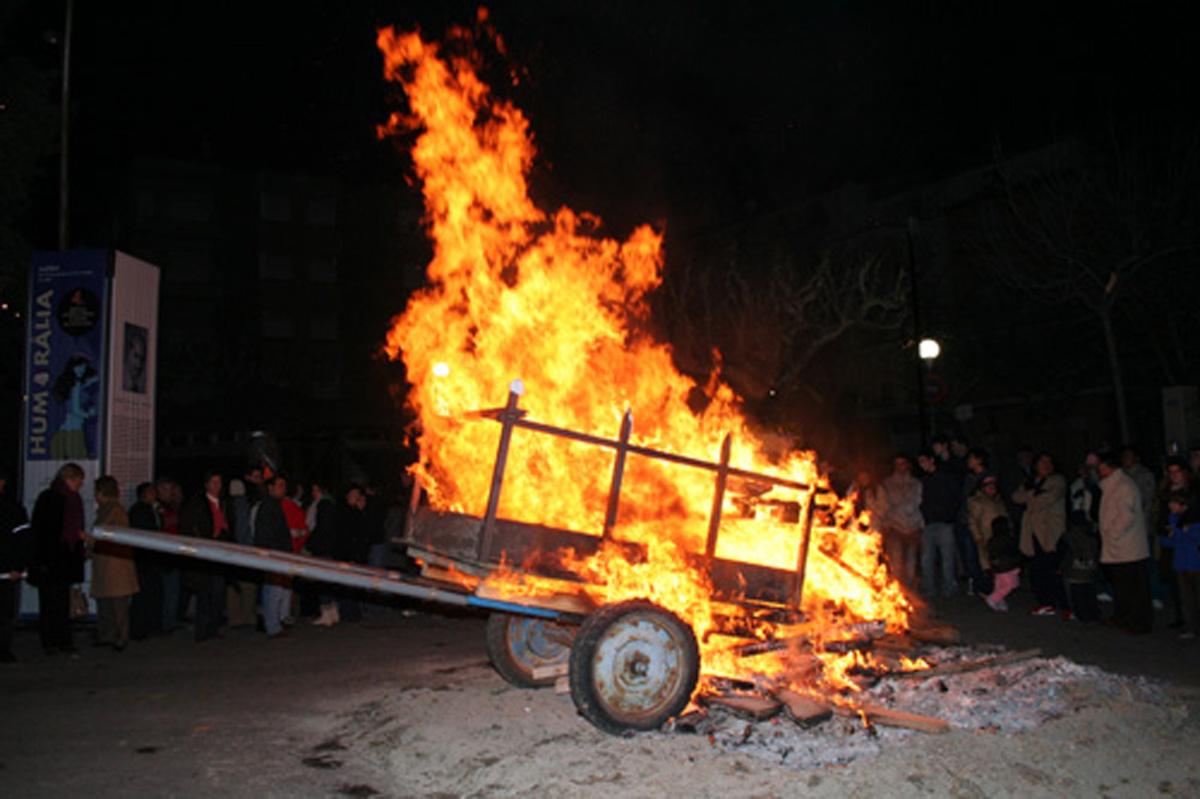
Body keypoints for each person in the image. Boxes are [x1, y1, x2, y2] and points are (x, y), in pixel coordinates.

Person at [29, 463, 88, 657]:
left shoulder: (74, 499)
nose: (80, 483)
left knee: (63, 602)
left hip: (65, 559)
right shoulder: (50, 498)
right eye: (79, 479)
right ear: (69, 478)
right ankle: (50, 641)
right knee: (49, 603)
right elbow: (43, 532)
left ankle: (63, 639)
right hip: (50, 559)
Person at [1096, 450, 1153, 635]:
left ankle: (1139, 621)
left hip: (1128, 547)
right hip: (1118, 546)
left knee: (1135, 587)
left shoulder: (1124, 486)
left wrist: (1112, 533)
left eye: (1101, 467)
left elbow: (1127, 516)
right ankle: (1122, 616)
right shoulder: (1112, 485)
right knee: (1122, 586)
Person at [1012, 452, 1067, 616]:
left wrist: (1031, 498)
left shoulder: (1057, 481)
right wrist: (1033, 494)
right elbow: (1016, 497)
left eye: (1049, 462)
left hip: (1049, 532)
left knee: (1052, 567)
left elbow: (1045, 500)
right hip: (1032, 532)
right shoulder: (1030, 482)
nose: (1047, 465)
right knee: (1036, 568)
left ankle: (1063, 603)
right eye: (1043, 462)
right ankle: (1045, 602)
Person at [179, 470, 231, 642]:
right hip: (205, 553)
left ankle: (213, 627)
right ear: (207, 484)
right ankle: (202, 630)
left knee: (217, 593)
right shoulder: (198, 503)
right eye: (213, 483)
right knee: (204, 594)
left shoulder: (224, 503)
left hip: (220, 553)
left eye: (219, 483)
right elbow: (190, 526)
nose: (217, 486)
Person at [89, 475, 139, 650]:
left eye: (97, 492)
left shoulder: (115, 510)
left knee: (118, 605)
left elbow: (110, 535)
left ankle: (120, 637)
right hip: (107, 564)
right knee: (106, 603)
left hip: (115, 566)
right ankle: (107, 635)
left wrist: (88, 540)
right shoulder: (106, 509)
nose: (95, 496)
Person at [917, 448, 961, 598]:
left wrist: (949, 515)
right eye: (919, 462)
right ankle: (930, 589)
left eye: (923, 461)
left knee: (947, 558)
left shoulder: (946, 477)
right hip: (928, 524)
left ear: (931, 460)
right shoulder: (923, 480)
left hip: (945, 523)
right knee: (927, 559)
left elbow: (955, 497)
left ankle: (949, 588)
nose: (921, 464)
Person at [254, 475, 293, 638]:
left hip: (278, 552)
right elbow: (265, 533)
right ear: (270, 487)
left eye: (284, 485)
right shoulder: (268, 506)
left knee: (274, 590)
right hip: (274, 554)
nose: (283, 489)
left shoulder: (275, 505)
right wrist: (272, 553)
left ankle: (271, 622)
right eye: (280, 485)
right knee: (273, 591)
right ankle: (272, 625)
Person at [0, 468, 31, 663]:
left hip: (5, 570)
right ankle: (3, 650)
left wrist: (18, 566)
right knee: (3, 613)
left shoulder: (10, 508)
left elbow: (23, 540)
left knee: (3, 613)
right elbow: (23, 540)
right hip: (5, 570)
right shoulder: (11, 508)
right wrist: (18, 566)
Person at [879, 454, 923, 590]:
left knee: (911, 560)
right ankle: (898, 589)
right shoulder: (887, 484)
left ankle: (910, 589)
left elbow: (918, 502)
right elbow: (885, 505)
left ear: (908, 465)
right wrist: (886, 524)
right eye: (897, 464)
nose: (900, 467)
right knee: (896, 560)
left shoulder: (916, 483)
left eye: (903, 463)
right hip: (895, 526)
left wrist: (919, 525)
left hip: (913, 526)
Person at [1161, 490, 1200, 640]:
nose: (1171, 506)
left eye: (1174, 503)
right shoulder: (1172, 519)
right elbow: (1172, 541)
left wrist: (1183, 531)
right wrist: (1167, 537)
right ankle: (1190, 626)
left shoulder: (1195, 520)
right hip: (1180, 563)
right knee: (1186, 598)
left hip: (1196, 564)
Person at [128, 481, 164, 640]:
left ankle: (150, 625)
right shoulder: (139, 511)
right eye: (152, 492)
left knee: (152, 594)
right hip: (144, 560)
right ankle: (139, 628)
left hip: (151, 559)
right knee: (142, 595)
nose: (155, 494)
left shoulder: (152, 510)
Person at [224, 478, 259, 629]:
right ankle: (248, 616)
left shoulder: (226, 505)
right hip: (244, 550)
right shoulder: (244, 505)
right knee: (248, 586)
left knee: (233, 586)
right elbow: (245, 529)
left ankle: (234, 617)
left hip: (230, 550)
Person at [305, 481, 341, 626]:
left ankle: (326, 614)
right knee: (329, 580)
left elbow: (313, 525)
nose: (313, 493)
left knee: (322, 580)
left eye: (315, 490)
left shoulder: (321, 505)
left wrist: (311, 543)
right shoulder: (333, 504)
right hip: (331, 547)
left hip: (322, 547)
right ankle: (333, 612)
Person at [49, 355, 99, 459]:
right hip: (74, 432)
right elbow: (75, 410)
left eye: (84, 367)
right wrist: (90, 414)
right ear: (72, 367)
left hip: (67, 431)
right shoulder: (76, 385)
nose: (81, 370)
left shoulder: (74, 384)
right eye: (79, 366)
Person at [967, 475, 1007, 577]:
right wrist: (977, 535)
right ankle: (988, 585)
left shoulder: (999, 501)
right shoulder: (977, 501)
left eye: (993, 487)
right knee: (987, 562)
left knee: (1001, 562)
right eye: (988, 487)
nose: (991, 489)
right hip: (986, 536)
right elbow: (972, 520)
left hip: (1000, 537)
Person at [1060, 521, 1100, 622]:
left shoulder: (1068, 536)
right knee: (1089, 594)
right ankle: (1093, 613)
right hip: (1090, 571)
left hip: (1073, 572)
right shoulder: (1092, 536)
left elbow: (1061, 551)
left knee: (1076, 596)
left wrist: (1061, 566)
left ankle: (1079, 614)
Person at [984, 517, 1022, 611]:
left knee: (999, 585)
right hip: (1007, 567)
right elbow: (1013, 552)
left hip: (998, 567)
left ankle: (1000, 602)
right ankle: (993, 598)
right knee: (1009, 584)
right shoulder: (1007, 540)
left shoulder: (992, 540)